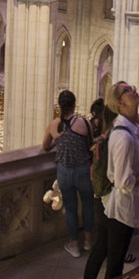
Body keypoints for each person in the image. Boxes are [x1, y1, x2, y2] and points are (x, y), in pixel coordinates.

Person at [82, 82, 139, 279]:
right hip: (119, 208)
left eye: (132, 87)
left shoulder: (130, 128)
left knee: (103, 250)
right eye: (127, 90)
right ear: (119, 102)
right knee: (115, 262)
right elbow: (123, 181)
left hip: (119, 204)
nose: (134, 89)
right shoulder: (123, 136)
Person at [42, 90, 94, 257]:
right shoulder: (83, 122)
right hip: (83, 170)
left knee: (70, 209)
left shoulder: (54, 125)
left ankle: (74, 244)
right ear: (74, 104)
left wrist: (58, 142)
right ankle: (87, 240)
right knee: (88, 205)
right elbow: (91, 145)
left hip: (64, 171)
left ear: (59, 105)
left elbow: (45, 146)